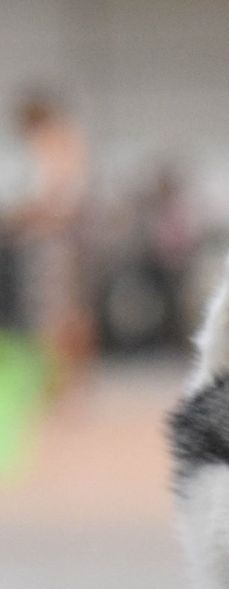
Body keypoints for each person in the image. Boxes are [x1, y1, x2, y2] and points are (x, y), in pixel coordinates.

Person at [6, 89, 93, 393]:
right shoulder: (66, 139)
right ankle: (69, 382)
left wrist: (22, 217)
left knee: (56, 314)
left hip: (53, 238)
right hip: (62, 235)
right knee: (68, 312)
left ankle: (61, 383)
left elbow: (57, 197)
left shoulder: (53, 142)